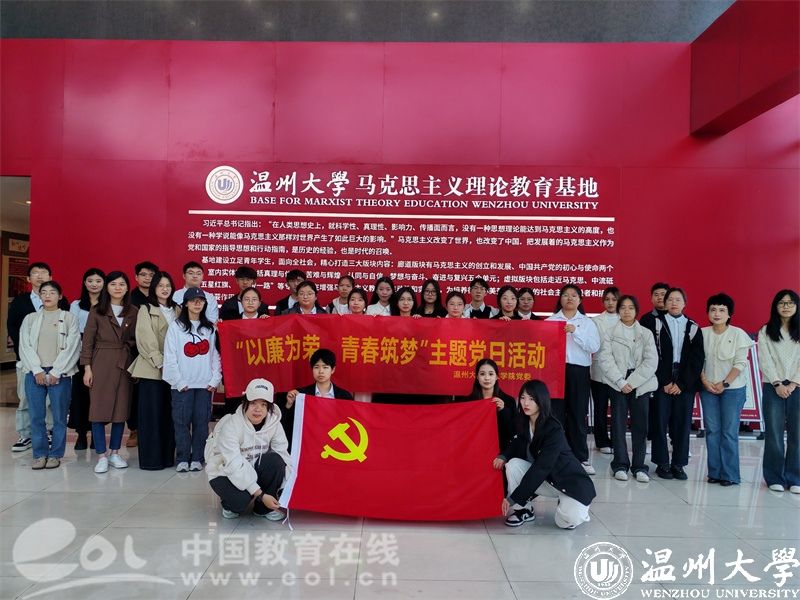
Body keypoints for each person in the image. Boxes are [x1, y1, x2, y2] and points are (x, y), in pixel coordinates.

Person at [493, 380, 596, 529]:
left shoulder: (554, 429)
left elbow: (541, 467)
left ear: (541, 400)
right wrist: (503, 456)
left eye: (531, 399)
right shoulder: (524, 421)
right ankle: (523, 510)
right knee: (513, 465)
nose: (526, 403)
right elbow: (518, 441)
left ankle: (575, 507)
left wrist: (513, 498)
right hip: (547, 480)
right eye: (523, 398)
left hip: (568, 482)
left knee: (566, 522)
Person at [205, 378, 290, 520]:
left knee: (276, 459)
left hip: (253, 467)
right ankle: (229, 504)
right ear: (245, 403)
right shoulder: (231, 425)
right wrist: (261, 494)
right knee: (240, 502)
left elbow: (284, 455)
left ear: (269, 407)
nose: (258, 409)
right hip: (224, 471)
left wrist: (287, 487)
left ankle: (263, 509)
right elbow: (233, 464)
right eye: (253, 403)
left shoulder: (274, 424)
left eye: (263, 404)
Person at [18, 281, 81, 470]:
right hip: (34, 373)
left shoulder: (69, 318)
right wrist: (36, 369)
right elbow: (24, 345)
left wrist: (56, 371)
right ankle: (39, 454)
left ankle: (55, 454)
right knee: (36, 416)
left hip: (60, 373)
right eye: (43, 292)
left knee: (59, 417)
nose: (47, 296)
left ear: (59, 296)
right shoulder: (30, 319)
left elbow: (73, 346)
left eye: (52, 292)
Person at [81, 271, 138, 474]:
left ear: (127, 287)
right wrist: (87, 368)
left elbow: (137, 338)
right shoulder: (97, 310)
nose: (118, 288)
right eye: (113, 284)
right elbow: (88, 340)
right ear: (107, 287)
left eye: (122, 284)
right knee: (98, 410)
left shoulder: (133, 311)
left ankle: (115, 452)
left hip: (124, 363)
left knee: (120, 410)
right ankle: (101, 455)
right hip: (101, 362)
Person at [7, 262, 67, 452]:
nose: (39, 276)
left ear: (50, 277)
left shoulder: (61, 301)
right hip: (27, 361)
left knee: (50, 401)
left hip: (54, 361)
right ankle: (26, 434)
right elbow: (13, 328)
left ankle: (47, 432)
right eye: (35, 273)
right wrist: (27, 356)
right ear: (28, 278)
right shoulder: (20, 301)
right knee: (26, 399)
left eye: (44, 273)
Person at [597, 295, 658, 482]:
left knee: (641, 426)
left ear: (636, 311)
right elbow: (605, 359)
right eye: (623, 307)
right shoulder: (609, 333)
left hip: (641, 384)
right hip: (617, 383)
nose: (626, 311)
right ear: (618, 310)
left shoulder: (646, 333)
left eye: (631, 308)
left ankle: (639, 466)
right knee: (618, 425)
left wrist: (633, 381)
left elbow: (651, 361)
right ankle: (620, 464)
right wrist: (621, 382)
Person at [163, 287, 222, 472]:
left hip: (204, 385)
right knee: (181, 423)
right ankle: (182, 457)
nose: (197, 303)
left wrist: (215, 379)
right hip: (182, 385)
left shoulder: (209, 328)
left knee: (201, 423)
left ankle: (197, 457)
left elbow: (216, 356)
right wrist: (179, 382)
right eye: (193, 300)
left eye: (201, 300)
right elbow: (170, 356)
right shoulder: (176, 327)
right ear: (186, 304)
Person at [699, 293, 753, 487]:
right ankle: (714, 472)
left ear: (729, 314)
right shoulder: (701, 333)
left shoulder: (738, 334)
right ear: (708, 312)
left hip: (733, 389)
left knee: (729, 432)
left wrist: (725, 383)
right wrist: (705, 382)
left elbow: (740, 363)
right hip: (708, 388)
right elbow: (697, 361)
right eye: (713, 309)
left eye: (722, 310)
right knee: (712, 430)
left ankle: (730, 474)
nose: (717, 313)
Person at [546, 284, 601, 475]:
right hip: (555, 372)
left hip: (579, 372)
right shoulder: (550, 321)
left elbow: (594, 346)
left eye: (573, 295)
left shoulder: (587, 323)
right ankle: (556, 456)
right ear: (560, 298)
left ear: (580, 300)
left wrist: (575, 332)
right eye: (565, 295)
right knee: (556, 415)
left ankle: (581, 458)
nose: (569, 298)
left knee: (578, 415)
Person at [651, 287, 705, 480]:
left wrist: (682, 383)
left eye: (678, 300)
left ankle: (678, 464)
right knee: (659, 422)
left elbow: (697, 359)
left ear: (684, 304)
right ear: (665, 303)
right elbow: (652, 354)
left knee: (682, 424)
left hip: (685, 382)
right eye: (670, 299)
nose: (673, 303)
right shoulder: (655, 324)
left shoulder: (693, 327)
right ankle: (662, 463)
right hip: (661, 380)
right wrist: (665, 380)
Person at [127, 271, 179, 470]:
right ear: (153, 288)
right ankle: (151, 460)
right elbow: (145, 340)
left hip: (174, 372)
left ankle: (167, 457)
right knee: (151, 416)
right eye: (160, 285)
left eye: (168, 285)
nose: (165, 289)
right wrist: (161, 363)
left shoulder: (178, 310)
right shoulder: (146, 309)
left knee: (169, 416)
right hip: (153, 370)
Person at [757, 289, 800, 494]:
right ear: (775, 306)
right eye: (782, 303)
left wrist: (793, 384)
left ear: (796, 306)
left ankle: (795, 478)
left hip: (797, 387)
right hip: (773, 386)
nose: (786, 306)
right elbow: (765, 360)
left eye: (790, 303)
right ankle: (774, 477)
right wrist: (777, 384)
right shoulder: (766, 331)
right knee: (773, 434)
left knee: (797, 435)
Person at [69, 267, 105, 450]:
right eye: (90, 281)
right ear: (84, 283)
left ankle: (97, 435)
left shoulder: (108, 304)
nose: (94, 284)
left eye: (98, 281)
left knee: (98, 396)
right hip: (80, 353)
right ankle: (81, 434)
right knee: (80, 396)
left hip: (102, 353)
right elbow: (72, 330)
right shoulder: (76, 305)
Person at [128, 261, 159, 449]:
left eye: (151, 275)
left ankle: (153, 430)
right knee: (134, 394)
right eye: (143, 274)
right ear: (136, 277)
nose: (147, 278)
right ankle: (134, 429)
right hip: (134, 350)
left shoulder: (161, 297)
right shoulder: (129, 298)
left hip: (158, 352)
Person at [590, 286, 620, 456]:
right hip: (599, 371)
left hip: (619, 373)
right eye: (607, 299)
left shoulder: (625, 319)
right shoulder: (595, 321)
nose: (610, 303)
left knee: (617, 409)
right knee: (600, 408)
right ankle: (601, 441)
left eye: (614, 299)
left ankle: (617, 441)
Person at [462, 359, 517, 452]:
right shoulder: (468, 401)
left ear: (496, 377)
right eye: (482, 374)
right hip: (474, 449)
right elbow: (463, 430)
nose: (487, 378)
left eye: (491, 374)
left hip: (500, 451)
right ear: (477, 377)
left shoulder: (508, 401)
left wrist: (503, 410)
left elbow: (513, 431)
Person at [640, 281, 670, 446]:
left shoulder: (677, 318)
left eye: (663, 294)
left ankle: (675, 441)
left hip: (673, 373)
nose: (660, 297)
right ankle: (652, 440)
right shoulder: (646, 319)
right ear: (651, 298)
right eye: (656, 294)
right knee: (654, 408)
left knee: (673, 410)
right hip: (652, 372)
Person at [286, 348, 354, 409]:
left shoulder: (345, 396)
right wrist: (289, 403)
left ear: (333, 369)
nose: (321, 371)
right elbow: (287, 418)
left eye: (325, 367)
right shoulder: (301, 394)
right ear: (312, 369)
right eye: (316, 367)